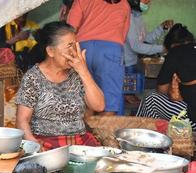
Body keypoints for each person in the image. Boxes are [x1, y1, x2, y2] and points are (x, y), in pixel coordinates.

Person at [16, 21, 105, 151]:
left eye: (75, 45)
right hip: (45, 144)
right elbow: (22, 120)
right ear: (51, 51)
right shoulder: (33, 77)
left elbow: (99, 106)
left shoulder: (78, 73)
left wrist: (83, 71)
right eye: (69, 46)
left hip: (79, 143)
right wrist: (33, 143)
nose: (74, 52)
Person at [67, 0, 131, 116]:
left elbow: (70, 27)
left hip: (82, 50)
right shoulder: (124, 3)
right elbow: (123, 34)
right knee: (108, 104)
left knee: (86, 99)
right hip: (111, 51)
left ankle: (84, 133)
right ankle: (103, 133)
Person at [136, 23, 196, 130]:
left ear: (171, 45)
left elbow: (162, 89)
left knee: (150, 98)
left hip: (192, 119)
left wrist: (172, 91)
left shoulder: (175, 52)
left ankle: (146, 137)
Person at [124, 0, 174, 104]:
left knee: (133, 92)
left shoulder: (138, 17)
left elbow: (145, 39)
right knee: (127, 97)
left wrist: (161, 28)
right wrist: (162, 48)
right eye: (145, 1)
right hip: (125, 62)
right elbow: (136, 46)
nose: (148, 4)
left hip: (132, 61)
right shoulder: (128, 17)